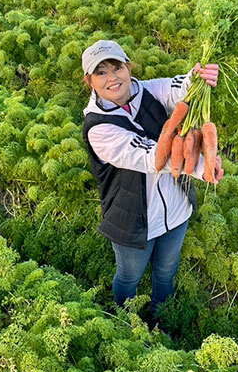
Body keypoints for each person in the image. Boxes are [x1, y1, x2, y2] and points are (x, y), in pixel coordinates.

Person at [81, 39, 223, 323]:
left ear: (128, 67)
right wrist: (200, 166)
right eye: (101, 72)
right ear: (89, 81)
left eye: (116, 67)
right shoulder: (98, 127)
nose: (112, 78)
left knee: (166, 271)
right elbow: (150, 158)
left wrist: (199, 77)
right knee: (129, 276)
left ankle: (162, 318)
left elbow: (178, 88)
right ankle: (126, 320)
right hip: (132, 221)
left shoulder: (147, 90)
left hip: (176, 209)